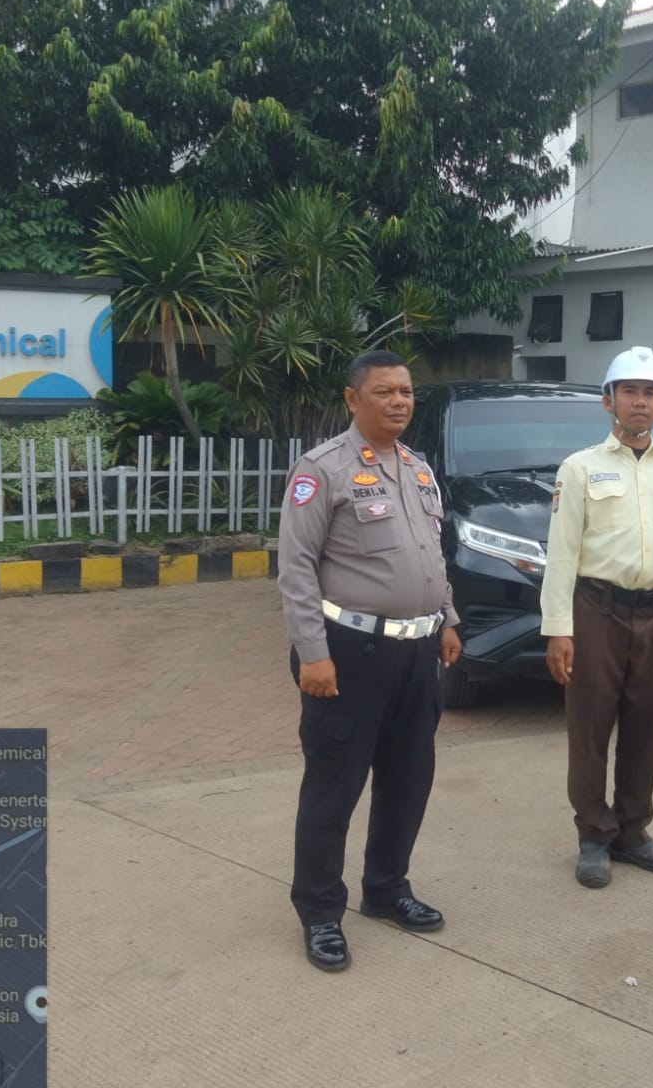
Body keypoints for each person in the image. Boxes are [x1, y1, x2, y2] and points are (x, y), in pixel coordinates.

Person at [276, 350, 463, 971]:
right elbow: (296, 567)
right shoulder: (321, 469)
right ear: (353, 399)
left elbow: (431, 552)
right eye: (384, 391)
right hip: (348, 654)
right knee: (334, 788)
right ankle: (320, 912)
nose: (399, 401)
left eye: (406, 391)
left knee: (408, 780)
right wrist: (312, 653)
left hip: (418, 651)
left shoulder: (417, 468)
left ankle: (386, 888)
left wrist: (448, 619)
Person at [539, 346, 653, 889]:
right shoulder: (580, 469)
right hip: (597, 612)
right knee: (590, 727)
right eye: (630, 392)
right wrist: (558, 630)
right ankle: (594, 834)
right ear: (608, 401)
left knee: (646, 727)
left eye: (651, 393)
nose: (641, 402)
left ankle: (633, 832)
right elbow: (562, 554)